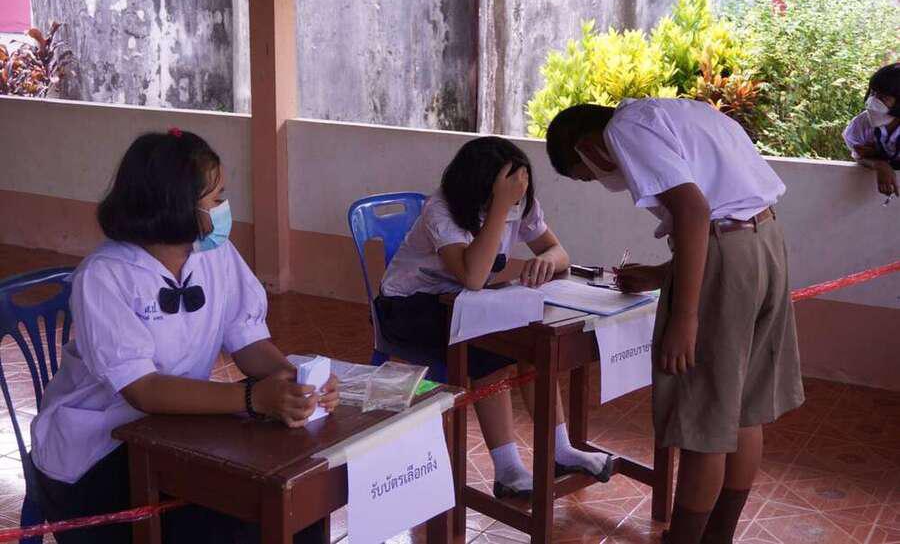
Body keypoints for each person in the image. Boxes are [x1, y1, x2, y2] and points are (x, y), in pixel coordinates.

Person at [29, 129, 339, 544]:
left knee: (294, 502)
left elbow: (247, 339)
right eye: (215, 199)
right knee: (232, 524)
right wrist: (253, 398)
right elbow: (143, 390)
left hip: (177, 431)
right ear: (174, 206)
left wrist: (296, 383)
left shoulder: (214, 254)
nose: (224, 209)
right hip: (96, 454)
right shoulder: (105, 276)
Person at [545, 99, 805, 544]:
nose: (602, 181)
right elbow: (723, 217)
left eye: (587, 175)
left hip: (727, 256)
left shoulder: (623, 130)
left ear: (587, 147)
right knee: (744, 410)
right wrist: (661, 275)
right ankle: (717, 537)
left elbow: (694, 212)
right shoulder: (679, 113)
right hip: (765, 243)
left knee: (703, 419)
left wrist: (684, 318)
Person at [375, 136, 613, 499]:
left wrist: (545, 259)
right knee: (491, 351)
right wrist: (501, 208)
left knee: (533, 346)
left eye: (519, 188)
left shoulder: (519, 202)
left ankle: (561, 451)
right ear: (480, 187)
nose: (518, 197)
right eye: (508, 190)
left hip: (462, 303)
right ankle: (508, 471)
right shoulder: (442, 209)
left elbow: (557, 250)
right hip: (408, 308)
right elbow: (472, 276)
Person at [843, 62, 900, 198]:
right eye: (873, 93)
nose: (872, 101)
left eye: (883, 98)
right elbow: (858, 154)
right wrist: (878, 164)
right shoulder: (862, 123)